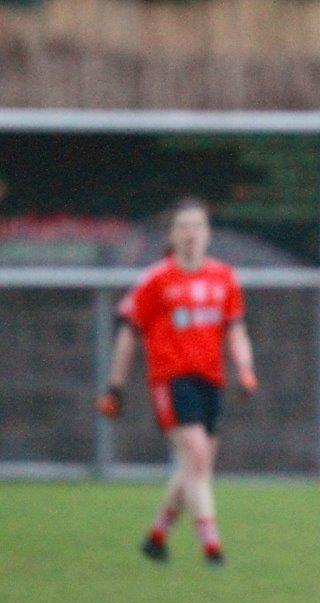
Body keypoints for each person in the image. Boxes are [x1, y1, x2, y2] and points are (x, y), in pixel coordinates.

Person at [96, 198, 258, 566]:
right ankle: (212, 547)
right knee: (197, 457)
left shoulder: (223, 278)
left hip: (210, 380)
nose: (190, 233)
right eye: (182, 226)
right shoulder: (157, 279)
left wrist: (245, 369)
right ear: (172, 234)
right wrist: (114, 387)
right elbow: (128, 332)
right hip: (171, 380)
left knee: (195, 467)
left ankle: (156, 538)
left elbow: (236, 330)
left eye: (197, 226)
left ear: (208, 233)